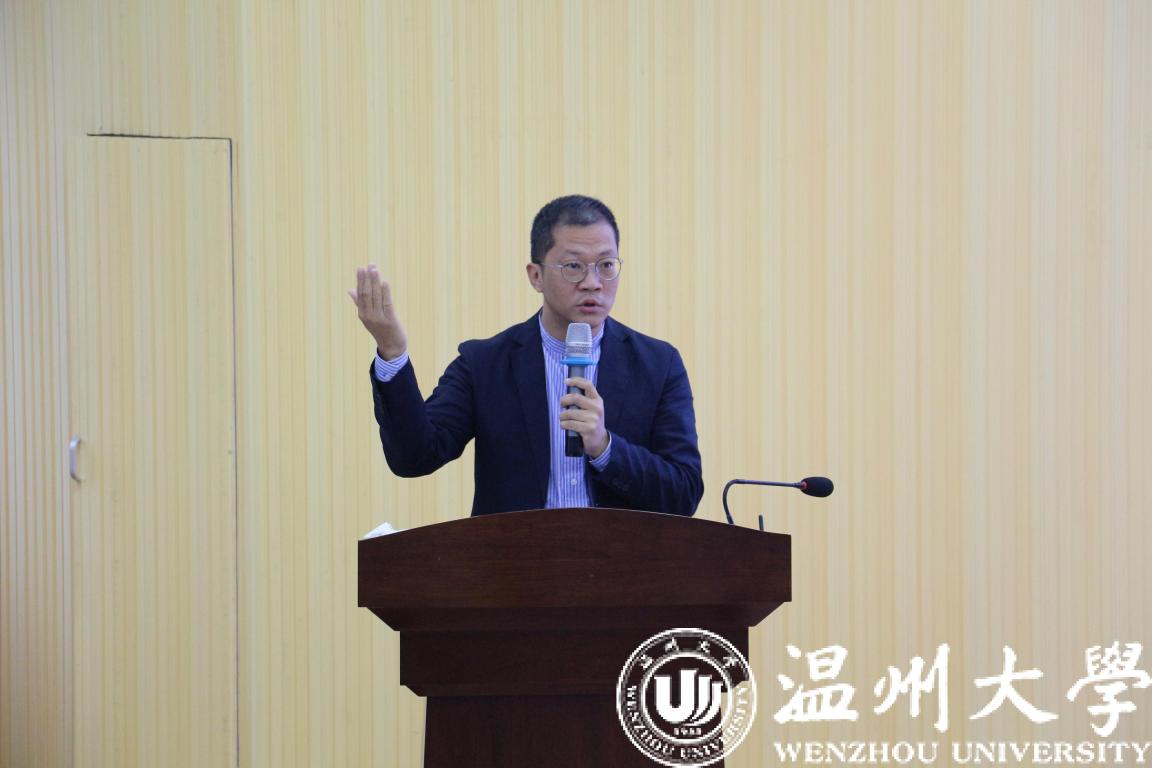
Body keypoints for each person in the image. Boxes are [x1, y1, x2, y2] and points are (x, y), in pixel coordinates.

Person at [349, 195, 703, 517]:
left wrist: (604, 447)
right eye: (574, 266)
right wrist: (392, 351)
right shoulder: (485, 364)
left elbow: (684, 494)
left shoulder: (658, 365)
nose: (593, 282)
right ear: (536, 276)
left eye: (606, 265)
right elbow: (414, 457)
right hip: (516, 563)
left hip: (620, 564)